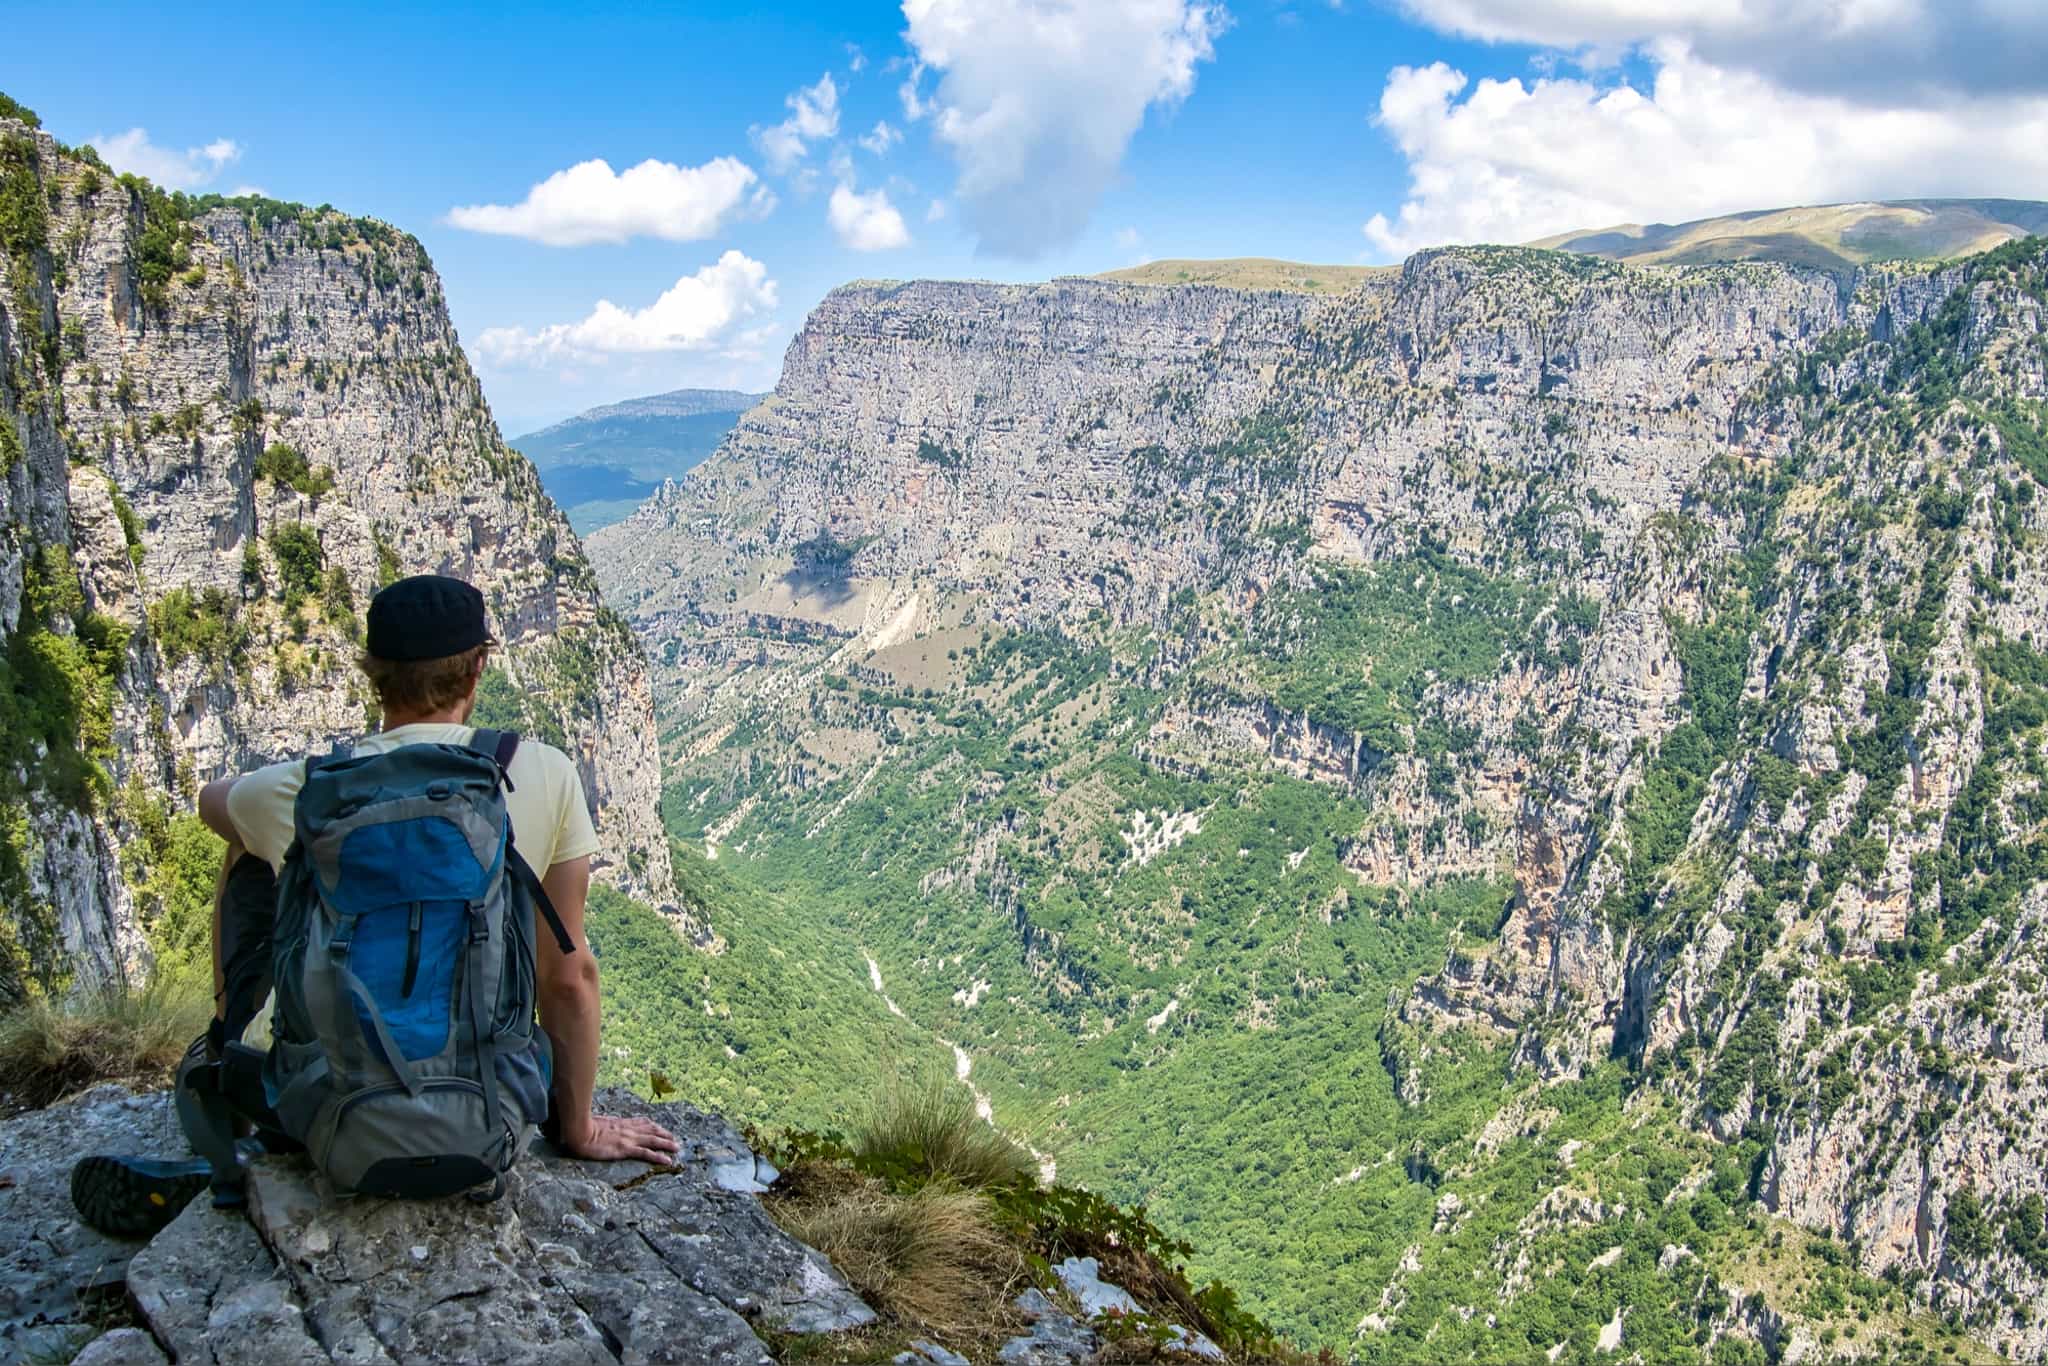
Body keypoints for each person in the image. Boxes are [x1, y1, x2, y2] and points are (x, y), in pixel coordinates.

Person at [72, 574, 675, 1234]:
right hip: (490, 1116)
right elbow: (569, 977)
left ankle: (229, 1091)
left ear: (372, 672)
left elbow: (210, 802)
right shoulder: (544, 771)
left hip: (329, 1114)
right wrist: (579, 1125)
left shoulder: (308, 789)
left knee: (246, 854)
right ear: (478, 667)